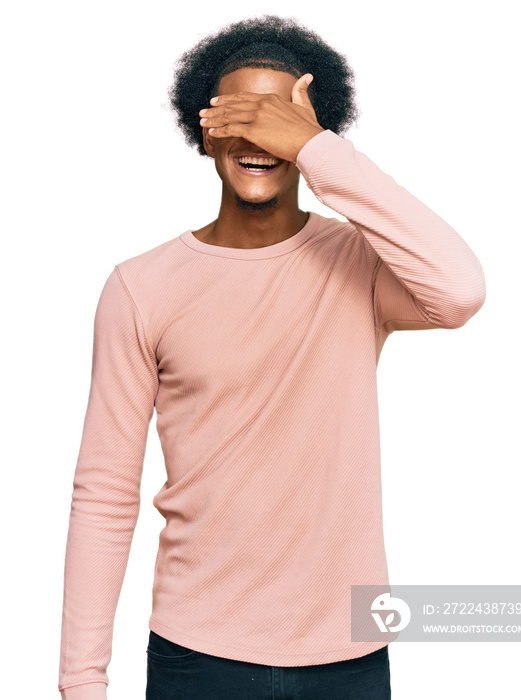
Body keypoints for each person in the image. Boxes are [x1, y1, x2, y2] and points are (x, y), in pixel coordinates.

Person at [58, 14, 486, 700]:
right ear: (205, 128)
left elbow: (460, 292)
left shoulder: (361, 264)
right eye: (239, 116)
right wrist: (81, 682)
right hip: (196, 654)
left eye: (277, 118)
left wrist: (318, 150)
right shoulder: (140, 287)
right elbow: (104, 493)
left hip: (346, 656)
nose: (259, 137)